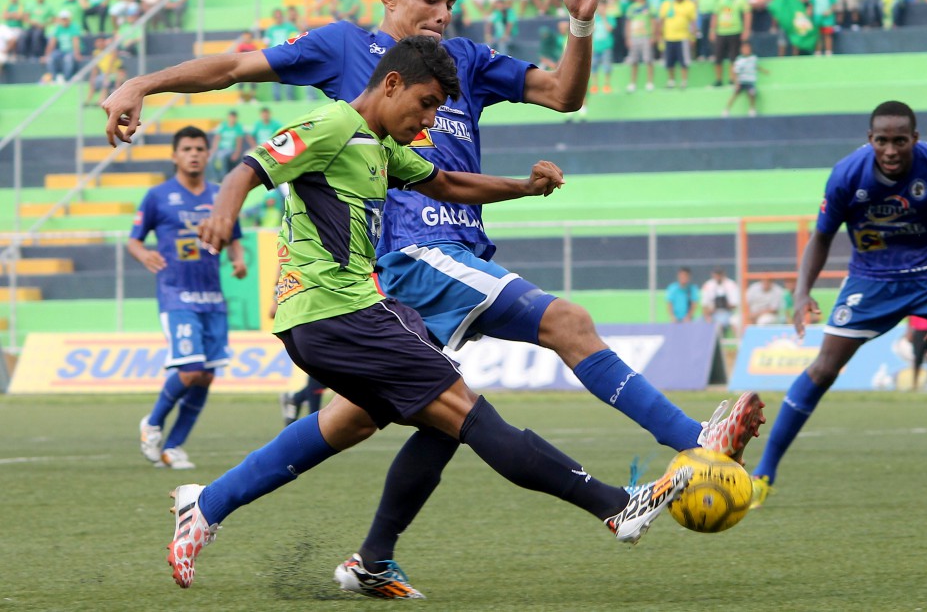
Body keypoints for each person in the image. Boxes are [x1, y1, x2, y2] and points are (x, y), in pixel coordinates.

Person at [102, 0, 765, 596]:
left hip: (438, 261)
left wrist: (579, 25)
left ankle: (280, 526)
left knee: (379, 419)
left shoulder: (464, 61)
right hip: (410, 257)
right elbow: (231, 69)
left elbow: (561, 96)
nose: (443, 13)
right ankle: (692, 443)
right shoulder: (342, 54)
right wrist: (141, 84)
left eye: (450, 1)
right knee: (563, 323)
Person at [168, 36, 692, 592]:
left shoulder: (380, 146)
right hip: (338, 311)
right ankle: (616, 506)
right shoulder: (333, 124)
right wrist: (222, 216)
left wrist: (524, 187)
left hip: (328, 318)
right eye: (426, 103)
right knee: (473, 416)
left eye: (439, 108)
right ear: (392, 83)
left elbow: (447, 183)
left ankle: (216, 508)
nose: (429, 120)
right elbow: (248, 169)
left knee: (431, 427)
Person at [749, 101, 927, 507]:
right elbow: (822, 236)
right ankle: (763, 475)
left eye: (900, 141)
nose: (891, 150)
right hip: (872, 279)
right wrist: (802, 291)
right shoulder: (846, 175)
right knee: (824, 368)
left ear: (915, 138)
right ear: (870, 140)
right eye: (882, 141)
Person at [130, 126, 247, 471]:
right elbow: (134, 239)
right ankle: (152, 423)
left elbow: (233, 234)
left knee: (206, 375)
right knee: (191, 369)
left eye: (199, 148)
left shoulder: (220, 194)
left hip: (212, 296)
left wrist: (238, 259)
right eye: (186, 149)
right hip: (176, 293)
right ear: (174, 156)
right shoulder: (157, 196)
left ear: (208, 154)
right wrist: (144, 255)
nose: (193, 154)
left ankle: (173, 447)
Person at [710, 0, 751, 87]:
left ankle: (732, 79)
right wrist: (712, 30)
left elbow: (747, 14)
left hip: (735, 31)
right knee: (718, 57)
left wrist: (746, 30)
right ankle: (718, 79)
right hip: (721, 32)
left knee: (734, 57)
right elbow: (715, 15)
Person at [657, 0, 696, 90]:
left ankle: (684, 81)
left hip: (683, 37)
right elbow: (661, 21)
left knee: (684, 61)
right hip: (668, 37)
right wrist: (660, 35)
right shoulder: (666, 4)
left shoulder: (689, 5)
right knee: (669, 61)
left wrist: (693, 37)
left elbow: (693, 22)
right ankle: (671, 81)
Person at [723, 41, 768, 117]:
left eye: (748, 48)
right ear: (741, 50)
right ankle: (727, 110)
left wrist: (764, 70)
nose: (746, 50)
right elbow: (735, 71)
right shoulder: (739, 60)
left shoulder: (753, 58)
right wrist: (736, 82)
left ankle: (752, 109)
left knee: (752, 94)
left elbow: (755, 66)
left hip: (750, 82)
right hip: (741, 82)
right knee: (734, 95)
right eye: (744, 48)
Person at [624, 0, 654, 92]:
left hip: (646, 36)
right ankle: (632, 83)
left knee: (648, 60)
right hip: (634, 37)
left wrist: (653, 35)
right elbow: (628, 23)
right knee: (634, 61)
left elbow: (653, 21)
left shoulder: (649, 6)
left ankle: (650, 82)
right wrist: (628, 37)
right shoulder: (631, 7)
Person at [42, 10, 83, 83]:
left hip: (72, 51)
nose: (64, 21)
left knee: (68, 59)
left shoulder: (74, 27)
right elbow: (52, 43)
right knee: (50, 59)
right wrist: (47, 55)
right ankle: (54, 79)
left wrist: (77, 54)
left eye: (66, 19)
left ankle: (66, 78)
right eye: (63, 19)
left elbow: (75, 42)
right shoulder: (58, 28)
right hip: (62, 51)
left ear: (69, 19)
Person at [84, 36, 125, 105]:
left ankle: (101, 100)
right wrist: (92, 77)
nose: (99, 44)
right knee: (93, 81)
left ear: (104, 42)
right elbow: (95, 67)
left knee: (105, 82)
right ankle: (88, 100)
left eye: (101, 42)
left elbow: (111, 65)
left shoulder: (111, 50)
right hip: (104, 74)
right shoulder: (96, 53)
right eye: (97, 42)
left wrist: (106, 76)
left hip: (115, 73)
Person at [208, 110, 246, 182]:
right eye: (231, 117)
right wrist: (213, 149)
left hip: (231, 149)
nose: (232, 119)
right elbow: (217, 138)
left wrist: (237, 152)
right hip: (220, 149)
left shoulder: (238, 127)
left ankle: (225, 179)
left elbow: (239, 141)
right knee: (210, 158)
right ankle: (216, 178)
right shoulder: (223, 125)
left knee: (221, 157)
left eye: (233, 117)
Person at [702, 267, 741, 336]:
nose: (718, 277)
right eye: (716, 275)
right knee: (699, 322)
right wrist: (708, 314)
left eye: (720, 275)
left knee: (721, 323)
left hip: (726, 313)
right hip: (712, 313)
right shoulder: (708, 285)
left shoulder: (731, 285)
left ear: (723, 275)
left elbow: (734, 305)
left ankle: (719, 341)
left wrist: (725, 304)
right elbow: (704, 305)